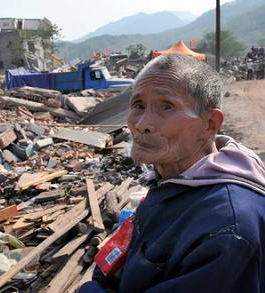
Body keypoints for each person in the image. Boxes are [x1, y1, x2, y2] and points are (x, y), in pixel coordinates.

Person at [79, 54, 265, 293]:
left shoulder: (228, 227)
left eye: (166, 106)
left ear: (210, 124)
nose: (142, 124)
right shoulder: (176, 181)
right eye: (138, 106)